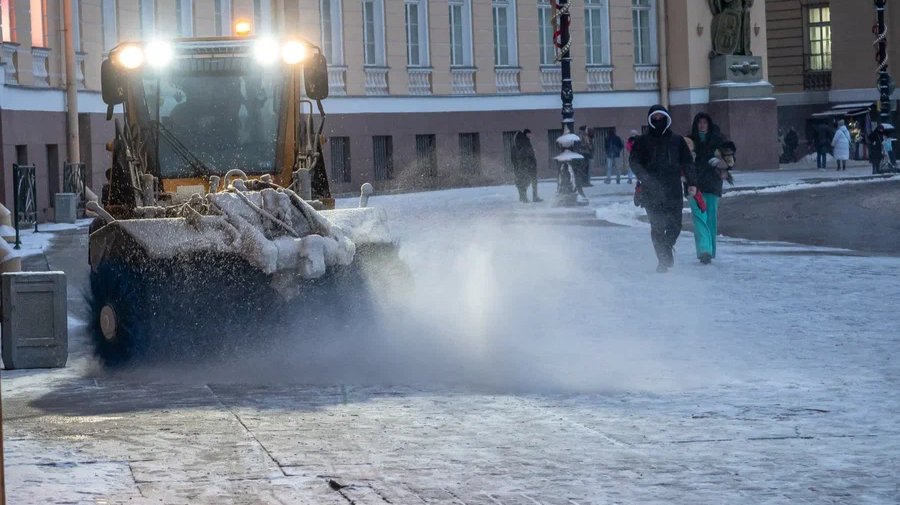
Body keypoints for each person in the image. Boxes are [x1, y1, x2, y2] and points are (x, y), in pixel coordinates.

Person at [630, 105, 697, 273]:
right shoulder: (642, 141)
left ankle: (667, 247)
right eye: (655, 117)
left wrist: (692, 182)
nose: (658, 120)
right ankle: (662, 260)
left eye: (661, 117)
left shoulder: (677, 140)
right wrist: (644, 177)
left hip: (673, 190)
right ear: (650, 119)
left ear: (667, 119)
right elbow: (634, 161)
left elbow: (687, 162)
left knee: (675, 226)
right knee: (657, 227)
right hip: (651, 191)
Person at [687, 112, 732, 265]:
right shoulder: (689, 141)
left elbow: (730, 158)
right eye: (699, 123)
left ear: (709, 124)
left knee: (711, 219)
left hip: (712, 184)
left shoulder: (718, 140)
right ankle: (704, 250)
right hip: (694, 185)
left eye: (705, 123)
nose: (702, 126)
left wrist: (722, 163)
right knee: (699, 218)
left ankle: (710, 250)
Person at [511, 129, 541, 203]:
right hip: (527, 167)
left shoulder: (523, 142)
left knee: (529, 182)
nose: (530, 135)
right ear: (525, 134)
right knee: (526, 182)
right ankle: (528, 197)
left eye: (530, 134)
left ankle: (528, 197)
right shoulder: (523, 142)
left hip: (527, 166)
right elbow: (524, 154)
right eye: (528, 134)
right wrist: (531, 152)